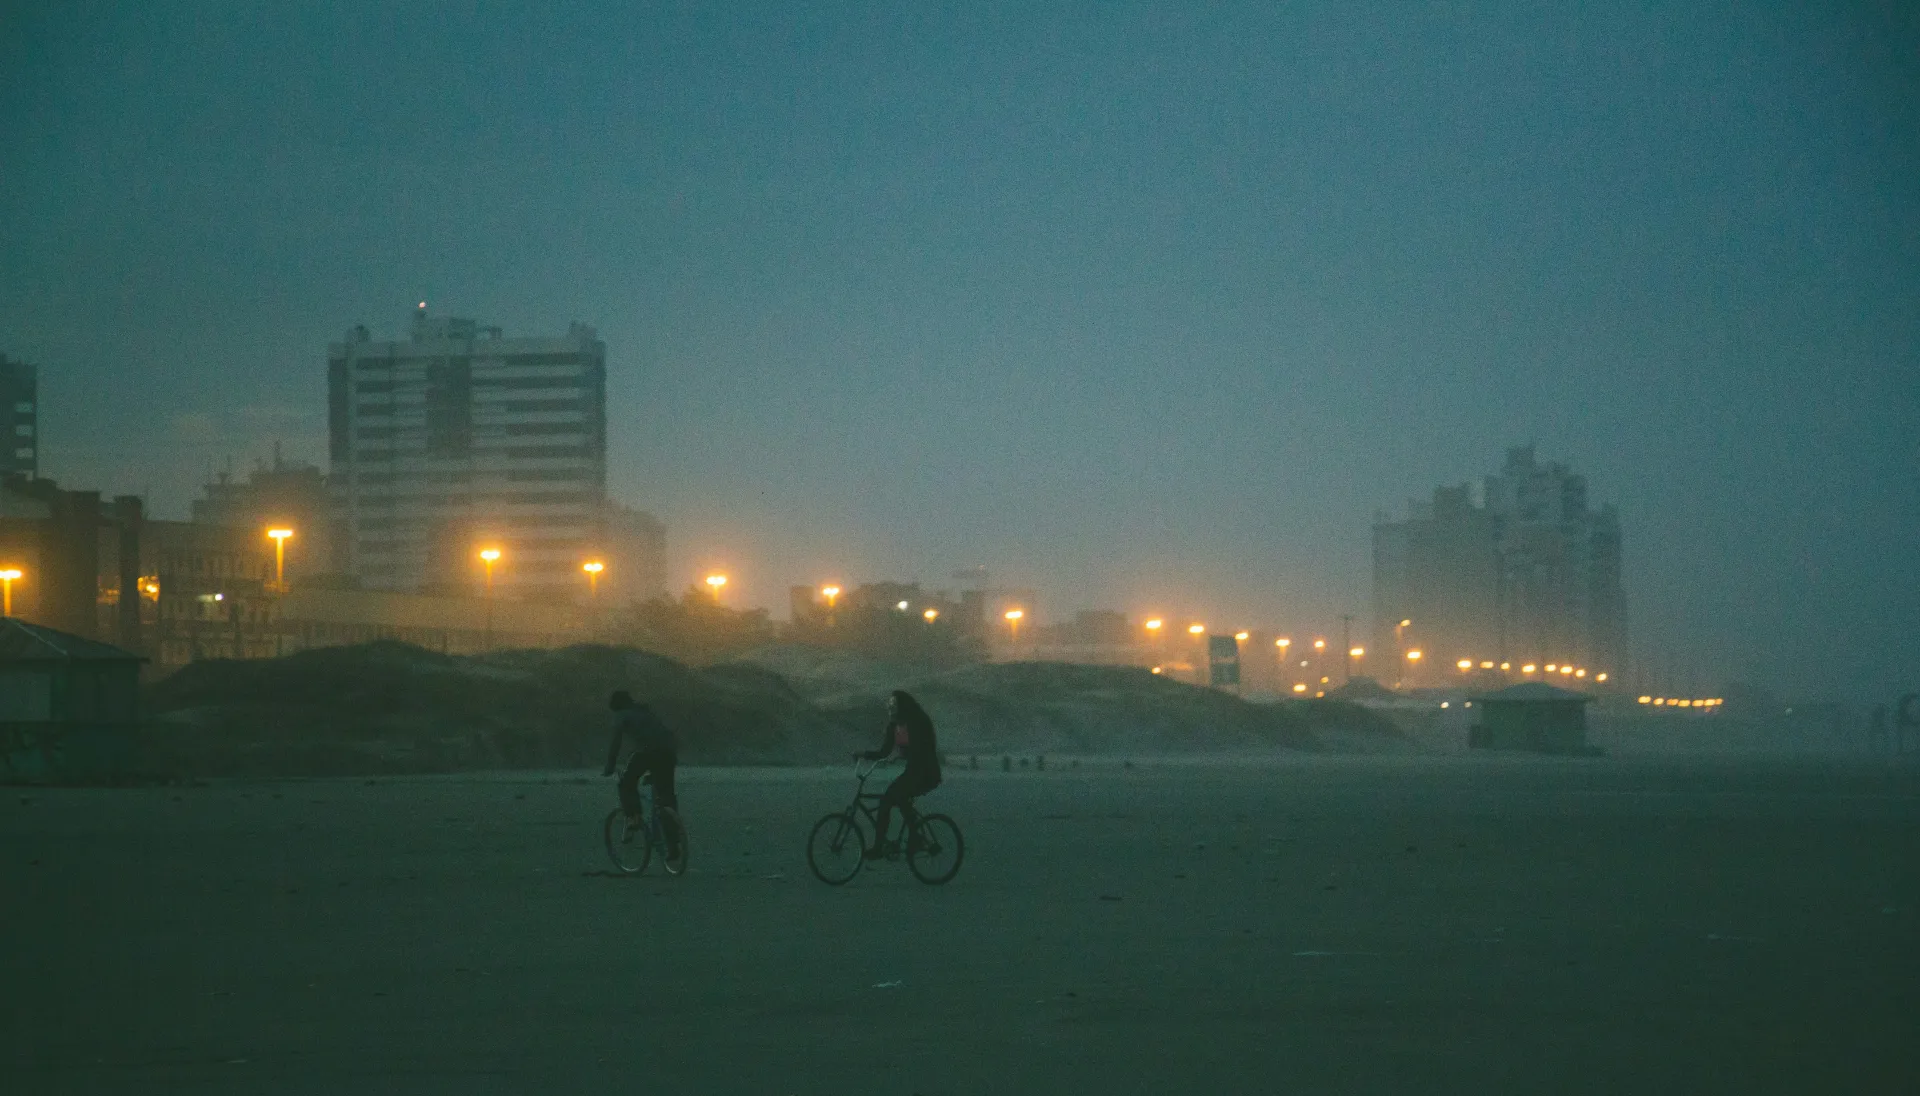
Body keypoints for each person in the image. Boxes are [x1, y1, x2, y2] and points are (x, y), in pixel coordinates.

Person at [862, 690, 941, 859]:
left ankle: (879, 847)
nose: (891, 709)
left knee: (888, 800)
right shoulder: (894, 726)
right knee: (897, 798)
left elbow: (924, 748)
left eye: (894, 706)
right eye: (890, 706)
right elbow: (884, 751)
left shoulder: (917, 721)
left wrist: (902, 756)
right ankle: (915, 837)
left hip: (926, 772)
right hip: (913, 771)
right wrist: (865, 755)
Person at [601, 690, 680, 849]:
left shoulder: (622, 714)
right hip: (668, 754)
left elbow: (616, 742)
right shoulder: (646, 711)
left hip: (647, 753)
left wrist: (610, 766)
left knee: (626, 784)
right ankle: (674, 844)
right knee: (666, 797)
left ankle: (633, 817)